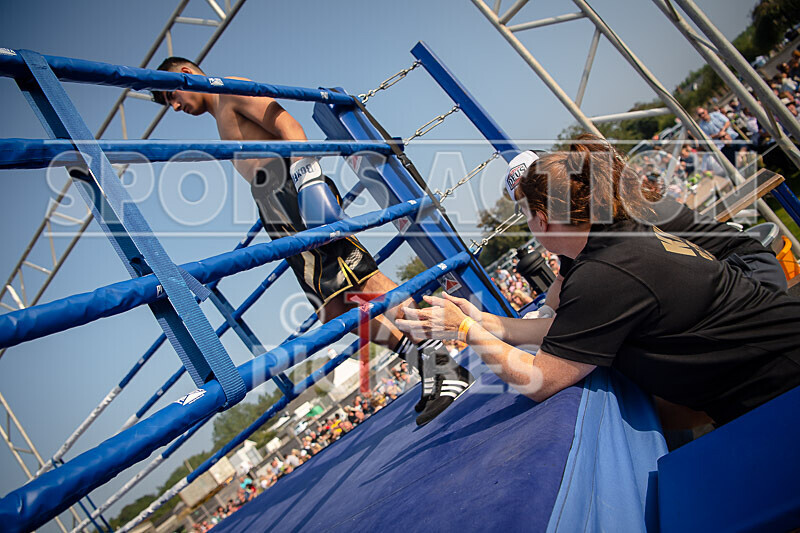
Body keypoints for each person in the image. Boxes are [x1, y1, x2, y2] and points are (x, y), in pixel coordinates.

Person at [396, 136, 800, 431]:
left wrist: (467, 331)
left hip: (779, 383)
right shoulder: (617, 235)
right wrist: (485, 322)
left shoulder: (604, 271)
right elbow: (574, 325)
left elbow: (541, 379)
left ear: (541, 218)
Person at [151, 57, 472, 425]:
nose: (174, 106)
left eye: (170, 94)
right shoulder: (220, 114)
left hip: (293, 188)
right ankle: (426, 364)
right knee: (334, 309)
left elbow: (288, 124)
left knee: (365, 280)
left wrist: (308, 179)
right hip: (276, 206)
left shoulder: (230, 89)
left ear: (186, 75)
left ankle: (445, 367)